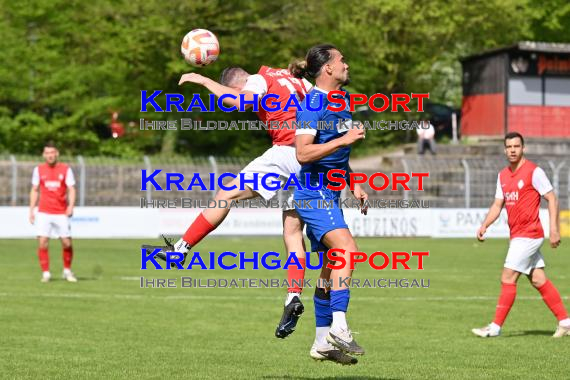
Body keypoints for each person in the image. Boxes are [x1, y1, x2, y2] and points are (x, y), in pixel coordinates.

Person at [142, 65, 314, 339]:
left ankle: (181, 249)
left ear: (237, 83)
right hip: (313, 158)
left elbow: (241, 100)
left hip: (287, 151)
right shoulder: (294, 78)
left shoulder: (259, 80)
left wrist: (204, 81)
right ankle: (292, 296)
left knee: (225, 195)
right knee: (293, 232)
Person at [291, 44, 368, 364]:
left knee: (327, 270)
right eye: (342, 60)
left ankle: (322, 342)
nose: (347, 65)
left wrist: (352, 181)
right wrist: (344, 139)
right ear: (328, 69)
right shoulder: (312, 104)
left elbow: (334, 154)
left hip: (331, 194)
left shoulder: (342, 102)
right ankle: (340, 326)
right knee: (347, 251)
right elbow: (302, 153)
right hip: (312, 194)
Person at [472, 132, 569, 338]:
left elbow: (552, 198)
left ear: (523, 148)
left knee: (507, 277)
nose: (513, 150)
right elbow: (498, 205)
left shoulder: (534, 172)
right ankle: (565, 322)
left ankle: (495, 328)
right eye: (509, 147)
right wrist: (485, 225)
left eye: (516, 146)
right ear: (505, 149)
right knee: (538, 279)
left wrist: (554, 229)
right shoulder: (503, 176)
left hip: (530, 234)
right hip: (517, 235)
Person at [29, 142, 77, 283]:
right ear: (44, 155)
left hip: (61, 212)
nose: (50, 155)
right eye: (47, 153)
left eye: (52, 152)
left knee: (67, 243)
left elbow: (72, 189)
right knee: (43, 242)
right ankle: (46, 273)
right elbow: (35, 189)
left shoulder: (65, 169)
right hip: (44, 212)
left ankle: (67, 271)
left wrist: (71, 206)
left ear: (57, 153)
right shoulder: (38, 170)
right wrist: (31, 209)